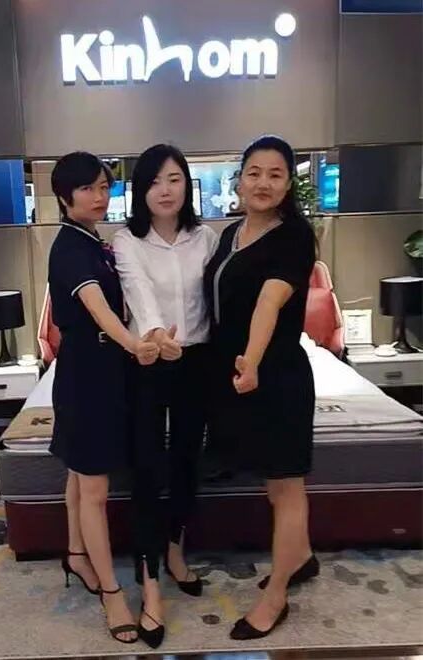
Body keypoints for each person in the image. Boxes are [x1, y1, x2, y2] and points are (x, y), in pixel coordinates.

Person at [204, 135, 319, 641]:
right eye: (254, 172)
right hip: (238, 376)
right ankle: (303, 557)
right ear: (240, 180)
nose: (263, 183)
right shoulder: (231, 233)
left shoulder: (294, 237)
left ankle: (275, 599)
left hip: (277, 377)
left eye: (275, 174)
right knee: (274, 482)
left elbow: (268, 304)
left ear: (289, 183)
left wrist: (250, 361)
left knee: (286, 486)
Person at [48, 151, 159, 645]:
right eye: (87, 188)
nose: (99, 196)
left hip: (101, 371)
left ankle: (76, 554)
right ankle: (113, 594)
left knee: (80, 474)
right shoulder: (70, 247)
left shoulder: (94, 240)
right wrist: (134, 344)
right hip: (88, 375)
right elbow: (98, 309)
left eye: (103, 187)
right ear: (63, 195)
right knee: (94, 487)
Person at [112, 144, 218, 648]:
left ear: (187, 185)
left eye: (174, 179)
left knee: (187, 462)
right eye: (154, 181)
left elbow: (217, 301)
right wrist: (156, 335)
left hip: (197, 363)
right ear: (141, 190)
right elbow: (137, 292)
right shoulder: (127, 240)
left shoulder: (207, 238)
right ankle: (150, 587)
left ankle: (176, 549)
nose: (165, 190)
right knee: (148, 469)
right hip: (149, 362)